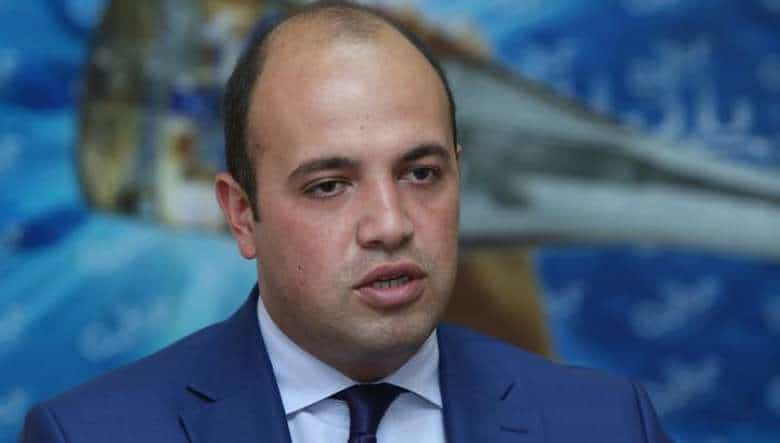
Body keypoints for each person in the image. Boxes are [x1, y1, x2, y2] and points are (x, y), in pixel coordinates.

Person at [20, 2, 672, 442]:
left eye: (421, 173)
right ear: (241, 214)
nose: (390, 224)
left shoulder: (609, 425)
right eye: (328, 185)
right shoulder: (91, 434)